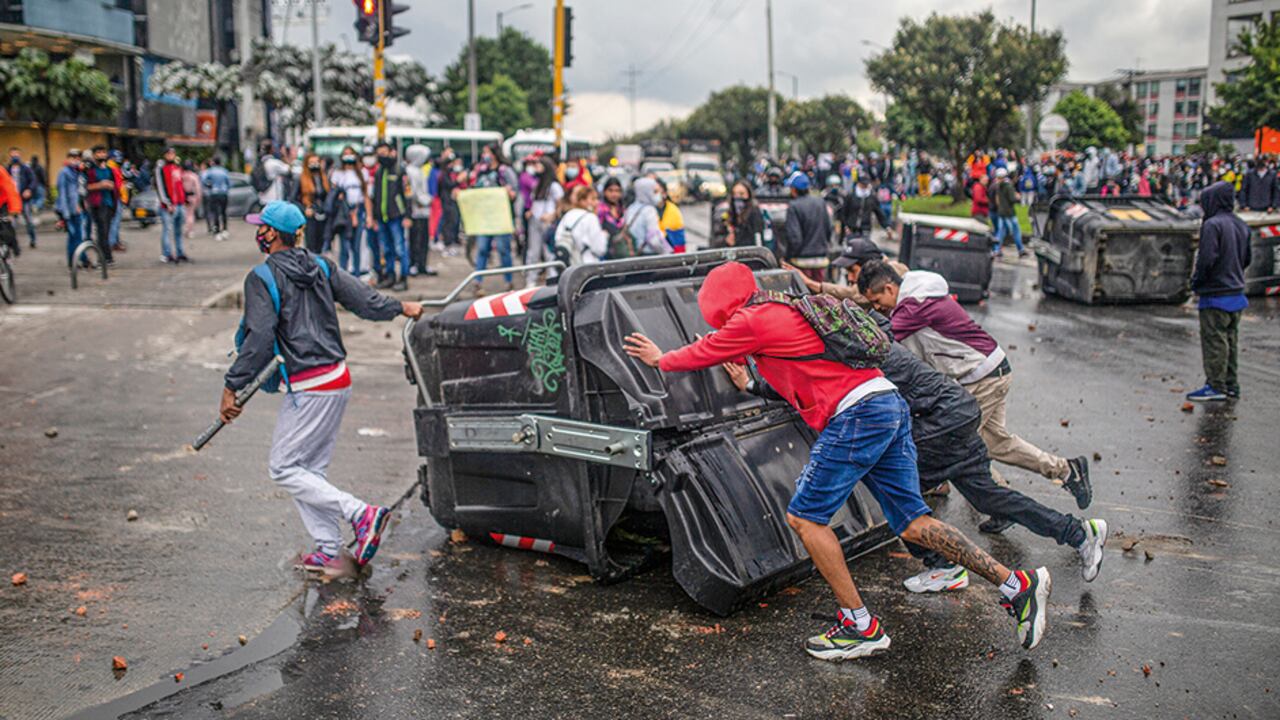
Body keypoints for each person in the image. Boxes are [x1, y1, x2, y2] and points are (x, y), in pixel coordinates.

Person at [623, 261, 1054, 659]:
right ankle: (1017, 584)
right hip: (886, 401)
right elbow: (757, 354)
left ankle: (859, 625)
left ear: (719, 302)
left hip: (856, 415)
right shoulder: (782, 309)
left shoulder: (752, 319)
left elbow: (704, 352)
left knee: (806, 520)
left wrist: (661, 359)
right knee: (912, 522)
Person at [722, 310, 1108, 593]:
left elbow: (814, 387)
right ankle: (1079, 533)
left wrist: (754, 385)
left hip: (938, 422)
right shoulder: (870, 337)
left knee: (898, 495)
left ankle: (940, 564)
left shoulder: (853, 353)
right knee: (992, 498)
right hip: (958, 413)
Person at [218, 201, 425, 577]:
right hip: (337, 378)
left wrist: (232, 385)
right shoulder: (322, 266)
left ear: (271, 235)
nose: (258, 233)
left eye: (261, 227)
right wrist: (401, 307)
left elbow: (259, 338)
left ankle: (361, 514)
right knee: (309, 470)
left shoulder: (262, 277)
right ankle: (329, 550)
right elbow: (366, 301)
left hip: (310, 384)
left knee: (283, 468)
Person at [857, 262, 1093, 519]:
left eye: (877, 300)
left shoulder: (913, 306)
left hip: (983, 376)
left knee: (960, 445)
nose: (877, 308)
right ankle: (1066, 471)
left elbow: (878, 342)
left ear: (890, 288)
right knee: (995, 443)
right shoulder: (917, 297)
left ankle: (1002, 506)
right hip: (990, 369)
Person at [1187, 181, 1251, 401]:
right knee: (1231, 341)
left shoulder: (1212, 225)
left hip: (1216, 293)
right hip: (1236, 291)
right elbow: (1247, 258)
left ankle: (1215, 385)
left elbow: (1206, 260)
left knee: (1215, 341)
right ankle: (1231, 384)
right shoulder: (1241, 224)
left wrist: (1196, 282)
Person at [469, 144, 518, 294]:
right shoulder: (481, 171)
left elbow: (515, 192)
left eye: (486, 152)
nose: (485, 155)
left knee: (504, 250)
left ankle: (509, 281)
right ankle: (478, 282)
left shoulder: (505, 171)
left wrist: (510, 193)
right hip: (484, 217)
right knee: (482, 249)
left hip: (500, 217)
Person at [365, 142, 412, 290]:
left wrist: (407, 216)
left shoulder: (399, 171)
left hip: (397, 216)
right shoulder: (379, 172)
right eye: (379, 153)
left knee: (400, 248)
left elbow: (407, 194)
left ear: (392, 152)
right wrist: (373, 217)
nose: (382, 156)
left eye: (384, 152)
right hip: (382, 217)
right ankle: (390, 276)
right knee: (386, 249)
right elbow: (375, 196)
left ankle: (403, 278)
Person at [781, 172, 832, 282]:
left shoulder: (794, 206)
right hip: (821, 259)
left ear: (794, 189)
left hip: (801, 261)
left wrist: (787, 257)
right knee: (820, 294)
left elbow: (795, 239)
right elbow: (828, 229)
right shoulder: (820, 202)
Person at [524, 155, 563, 286]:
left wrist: (552, 215)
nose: (535, 168)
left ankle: (553, 281)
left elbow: (560, 205)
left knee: (549, 253)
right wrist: (531, 212)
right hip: (535, 220)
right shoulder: (537, 184)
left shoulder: (554, 186)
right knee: (533, 252)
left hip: (547, 223)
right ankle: (531, 281)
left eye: (538, 165)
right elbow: (535, 201)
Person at [328, 147, 366, 275]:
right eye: (346, 154)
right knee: (344, 246)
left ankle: (356, 274)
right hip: (343, 213)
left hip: (358, 211)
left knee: (356, 246)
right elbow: (333, 193)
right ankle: (343, 276)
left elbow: (365, 196)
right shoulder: (337, 174)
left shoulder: (362, 173)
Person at [401, 144, 436, 277]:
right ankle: (413, 264)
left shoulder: (420, 170)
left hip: (424, 211)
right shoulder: (410, 171)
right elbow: (413, 192)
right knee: (415, 239)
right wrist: (426, 200)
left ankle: (422, 264)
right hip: (416, 211)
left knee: (424, 240)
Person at [84, 146, 121, 267]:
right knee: (101, 232)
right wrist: (100, 185)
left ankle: (106, 258)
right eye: (98, 152)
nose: (101, 155)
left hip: (110, 203)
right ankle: (104, 258)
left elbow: (116, 185)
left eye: (103, 152)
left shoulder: (110, 170)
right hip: (97, 204)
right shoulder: (91, 171)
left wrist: (113, 187)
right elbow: (86, 187)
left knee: (107, 231)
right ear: (94, 155)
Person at [553, 185, 609, 265]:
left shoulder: (568, 214)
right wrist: (604, 236)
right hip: (586, 266)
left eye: (597, 199)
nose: (597, 202)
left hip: (567, 266)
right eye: (593, 199)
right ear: (582, 201)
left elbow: (558, 238)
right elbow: (600, 249)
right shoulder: (591, 218)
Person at [154, 147, 188, 263]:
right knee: (167, 230)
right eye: (168, 153)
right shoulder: (161, 169)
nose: (171, 155)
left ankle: (180, 252)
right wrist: (166, 202)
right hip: (168, 205)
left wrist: (184, 199)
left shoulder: (177, 168)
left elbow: (180, 185)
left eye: (172, 153)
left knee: (179, 230)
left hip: (179, 203)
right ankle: (167, 253)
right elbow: (160, 186)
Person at [54, 149, 85, 268]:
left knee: (78, 236)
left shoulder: (77, 172)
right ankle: (72, 262)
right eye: (73, 158)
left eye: (78, 158)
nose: (76, 160)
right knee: (73, 237)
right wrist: (65, 214)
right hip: (69, 211)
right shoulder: (64, 172)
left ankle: (76, 260)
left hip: (77, 209)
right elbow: (62, 193)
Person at [297, 153, 331, 254]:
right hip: (310, 215)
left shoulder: (323, 178)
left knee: (322, 245)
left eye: (316, 162)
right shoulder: (301, 179)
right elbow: (292, 199)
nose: (314, 165)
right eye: (311, 163)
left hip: (323, 214)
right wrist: (305, 209)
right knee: (311, 245)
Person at [840, 175, 889, 240]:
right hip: (851, 228)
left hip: (865, 228)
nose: (864, 187)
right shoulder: (850, 196)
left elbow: (879, 213)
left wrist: (887, 226)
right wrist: (845, 227)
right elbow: (844, 212)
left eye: (866, 185)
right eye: (862, 185)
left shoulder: (872, 197)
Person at [991, 168, 1025, 258]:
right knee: (1016, 231)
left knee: (1001, 232)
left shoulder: (998, 186)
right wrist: (1018, 197)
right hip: (1010, 213)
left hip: (1001, 212)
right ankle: (1020, 249)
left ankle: (997, 249)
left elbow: (997, 199)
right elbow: (1012, 199)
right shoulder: (1008, 186)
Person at [7, 148, 37, 249]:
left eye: (17, 154)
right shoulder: (7, 169)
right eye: (13, 155)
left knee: (28, 220)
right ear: (10, 156)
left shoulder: (26, 168)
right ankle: (13, 243)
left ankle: (33, 239)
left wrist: (29, 190)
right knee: (12, 223)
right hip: (12, 200)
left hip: (24, 200)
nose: (15, 157)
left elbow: (33, 180)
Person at [723, 180, 764, 248]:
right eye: (734, 194)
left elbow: (757, 239)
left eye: (741, 194)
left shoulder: (754, 213)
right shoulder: (730, 215)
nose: (737, 197)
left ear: (748, 195)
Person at [201, 156, 231, 240]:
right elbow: (229, 183)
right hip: (224, 193)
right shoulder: (224, 171)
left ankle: (217, 230)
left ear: (213, 162)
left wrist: (209, 186)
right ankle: (225, 229)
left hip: (214, 193)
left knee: (215, 212)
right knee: (224, 211)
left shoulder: (210, 171)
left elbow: (204, 181)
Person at [655, 180, 686, 254]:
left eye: (659, 192)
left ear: (665, 194)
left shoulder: (673, 211)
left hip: (670, 253)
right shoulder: (647, 210)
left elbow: (679, 238)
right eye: (655, 192)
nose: (657, 195)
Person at [181, 160, 202, 238]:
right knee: (191, 214)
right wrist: (199, 198)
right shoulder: (194, 176)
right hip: (192, 196)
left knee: (185, 214)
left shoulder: (181, 175)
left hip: (183, 196)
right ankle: (190, 231)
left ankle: (186, 229)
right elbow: (198, 188)